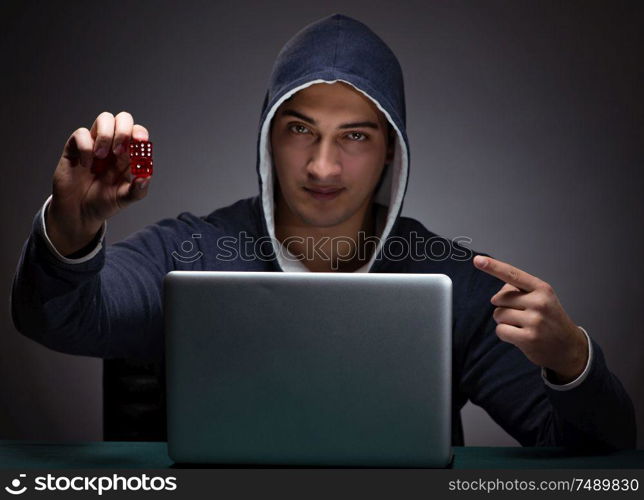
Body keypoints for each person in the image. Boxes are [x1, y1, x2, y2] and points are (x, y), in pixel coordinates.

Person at [11, 13, 635, 449]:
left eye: (355, 136)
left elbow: (594, 456)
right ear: (267, 137)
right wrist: (72, 224)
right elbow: (57, 317)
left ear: (391, 149)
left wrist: (571, 361)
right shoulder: (190, 251)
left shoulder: (456, 281)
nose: (322, 166)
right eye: (300, 129)